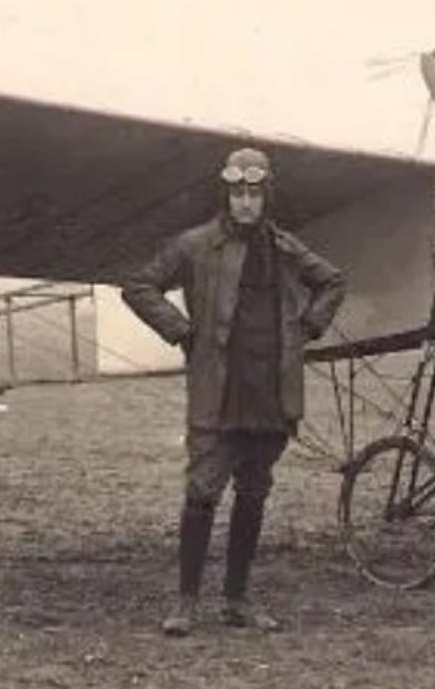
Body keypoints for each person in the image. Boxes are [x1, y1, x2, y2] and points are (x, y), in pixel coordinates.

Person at [122, 146, 346, 636]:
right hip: (218, 392)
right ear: (226, 195)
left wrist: (308, 327)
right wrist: (182, 331)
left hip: (270, 393)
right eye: (238, 193)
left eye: (255, 193)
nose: (246, 203)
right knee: (202, 493)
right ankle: (185, 604)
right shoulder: (196, 244)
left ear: (267, 196)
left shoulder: (286, 247)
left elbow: (332, 281)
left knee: (253, 494)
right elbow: (139, 285)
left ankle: (237, 600)